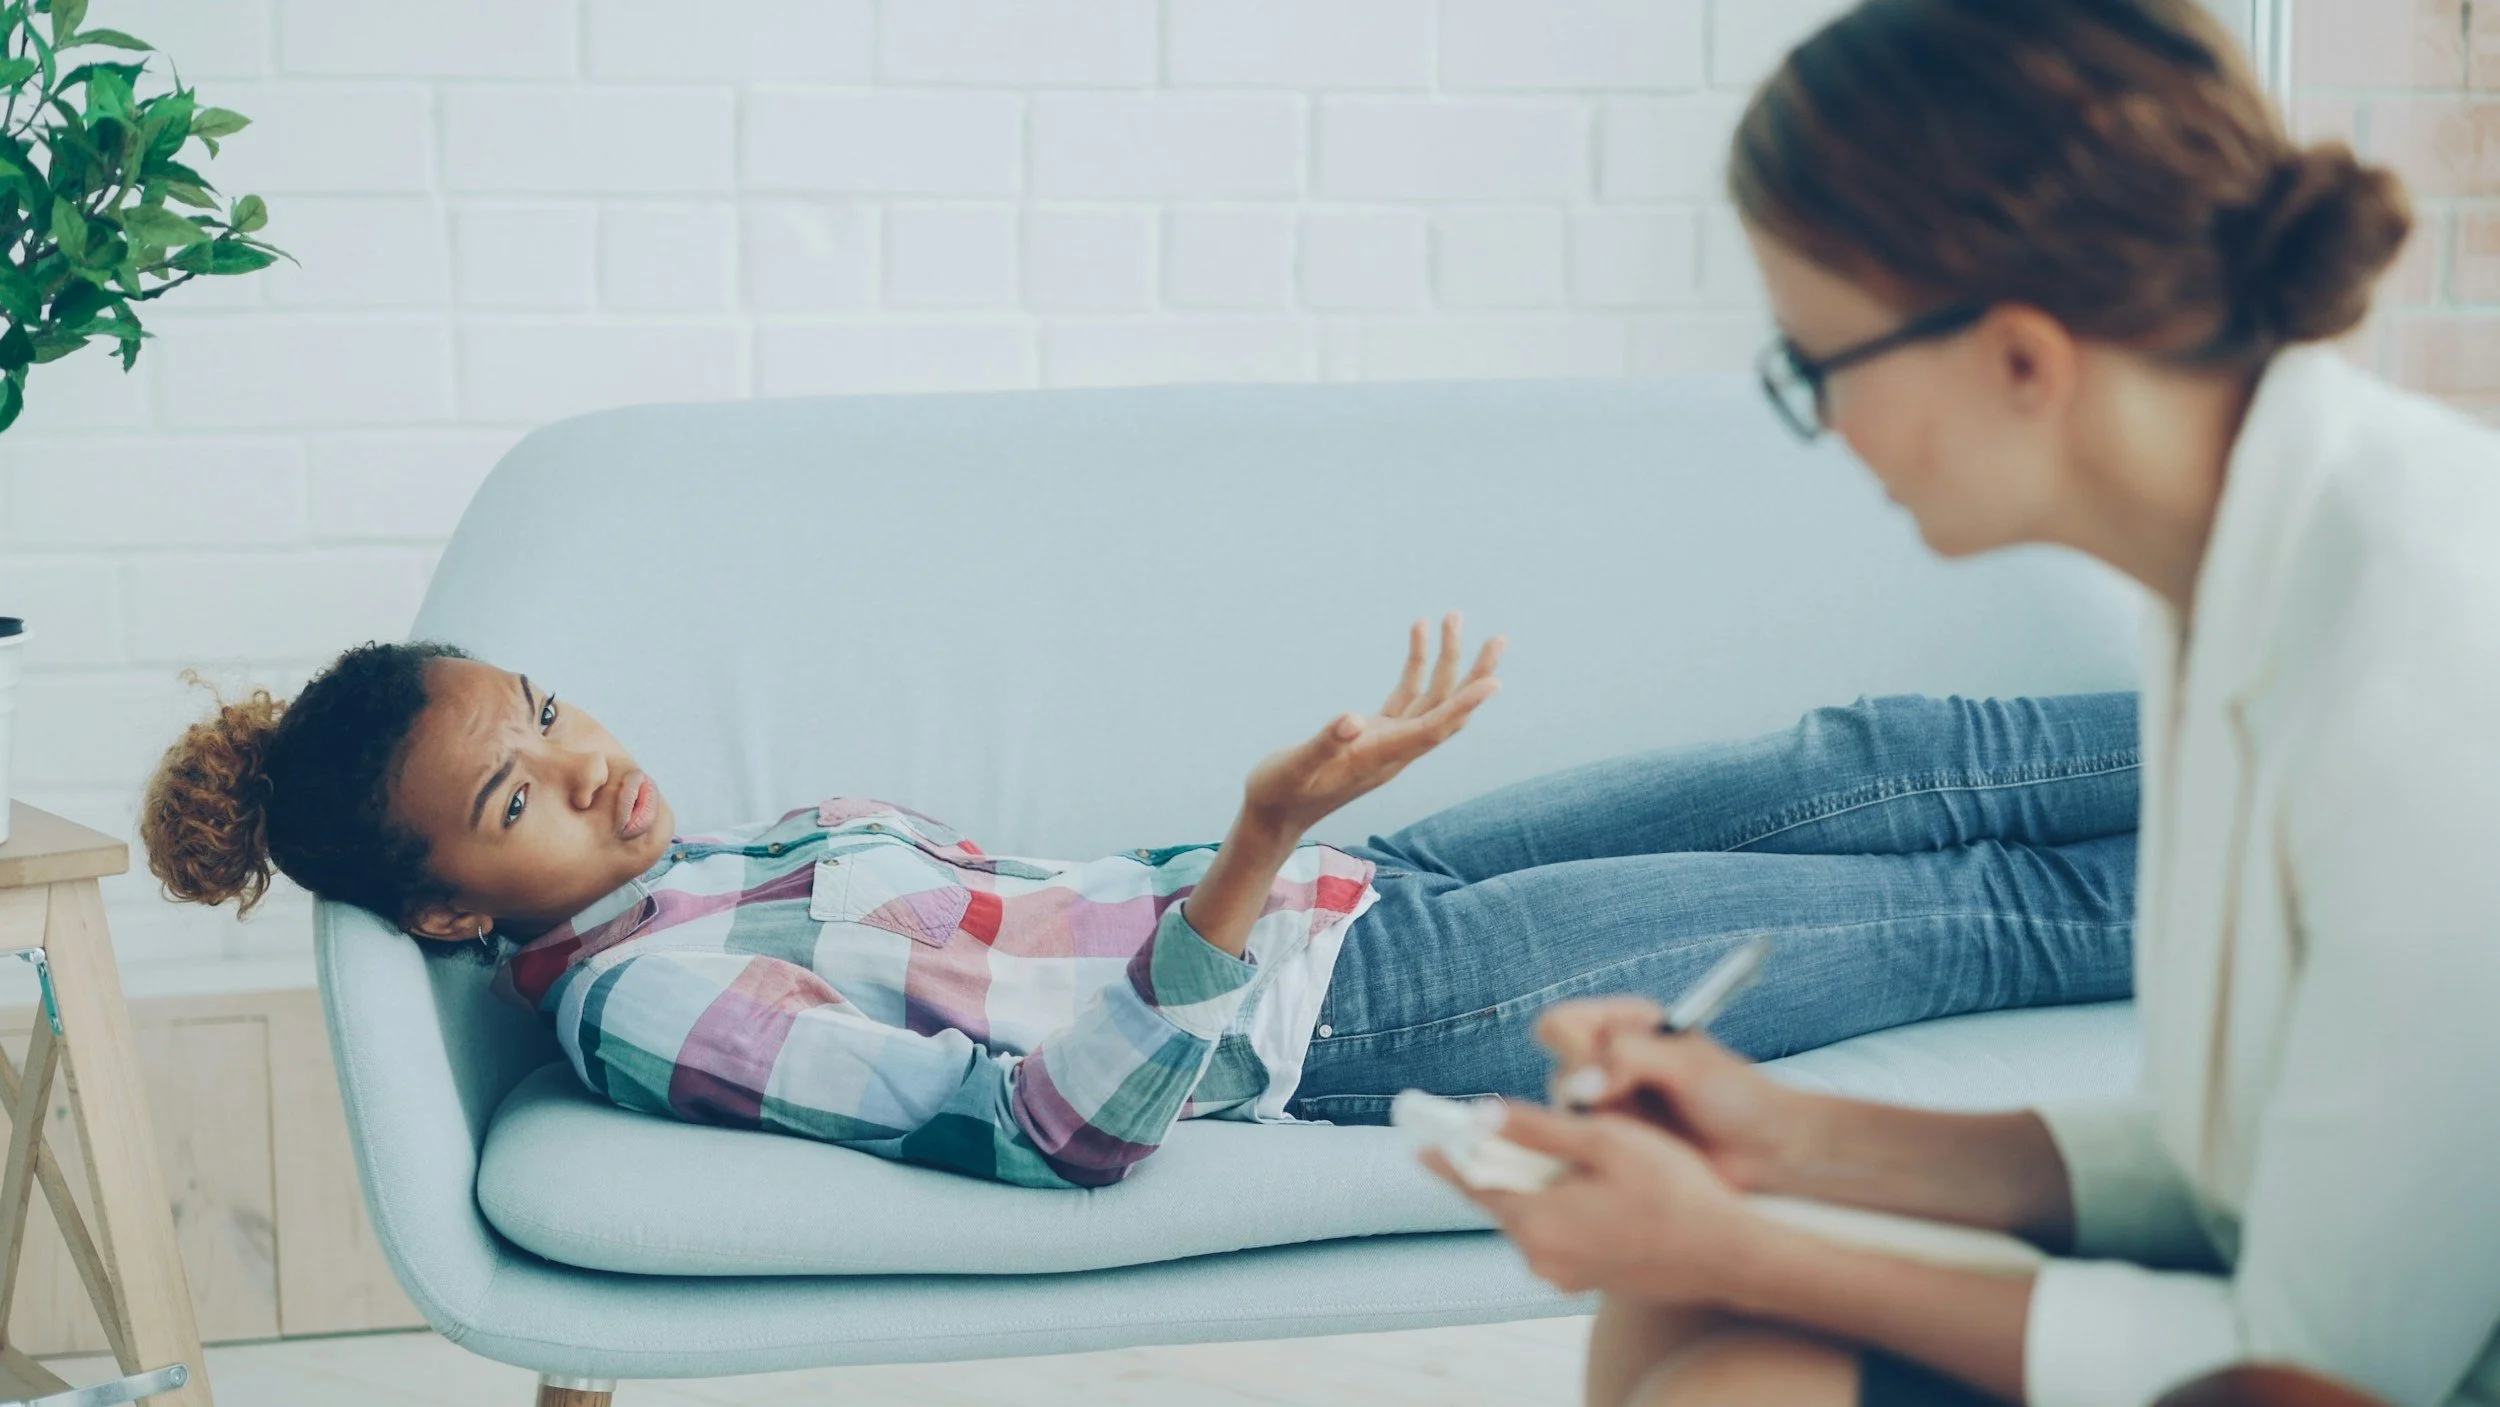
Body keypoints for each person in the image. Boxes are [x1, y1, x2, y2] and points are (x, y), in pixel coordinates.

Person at [1422, 1, 2500, 1405]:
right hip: (2310, 1333)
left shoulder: (2422, 633)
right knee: (1671, 1298)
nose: (1823, 426)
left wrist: (1752, 1246)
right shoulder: (2231, 564)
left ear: (2022, 360)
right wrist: (1781, 1135)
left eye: (1817, 365)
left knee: (1735, 1366)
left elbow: (2324, 1370)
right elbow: (2223, 1163)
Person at [138, 615, 2136, 1190]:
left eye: (549, 712)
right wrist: (1254, 854)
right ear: (447, 920)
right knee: (1969, 907)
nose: (588, 763)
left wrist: (1280, 848)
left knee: (1853, 760)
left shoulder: (689, 863)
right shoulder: (649, 1007)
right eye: (517, 793)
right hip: (1352, 1003)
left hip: (1357, 886)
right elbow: (1050, 1134)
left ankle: (2297, 723)